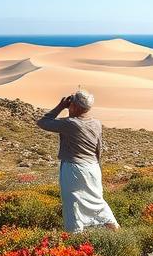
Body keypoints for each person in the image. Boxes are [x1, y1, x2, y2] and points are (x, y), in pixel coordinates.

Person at [36, 90, 119, 233]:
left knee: (73, 203)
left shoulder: (70, 124)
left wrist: (60, 106)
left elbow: (42, 122)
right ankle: (113, 228)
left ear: (75, 106)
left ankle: (75, 236)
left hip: (74, 169)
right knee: (97, 200)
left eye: (71, 104)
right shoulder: (96, 123)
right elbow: (99, 148)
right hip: (93, 168)